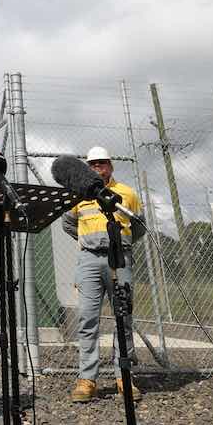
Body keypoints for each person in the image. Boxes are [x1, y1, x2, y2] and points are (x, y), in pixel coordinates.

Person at [61, 146, 145, 403]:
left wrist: (120, 242)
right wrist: (89, 240)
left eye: (102, 163)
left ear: (111, 165)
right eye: (93, 164)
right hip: (89, 261)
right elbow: (68, 223)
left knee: (124, 317)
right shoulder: (78, 196)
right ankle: (87, 379)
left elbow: (139, 226)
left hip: (120, 259)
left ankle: (125, 376)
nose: (98, 167)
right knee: (87, 319)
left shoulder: (127, 194)